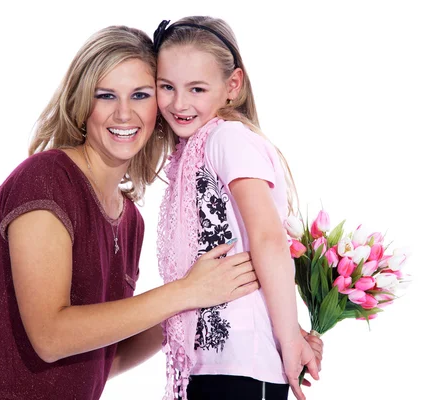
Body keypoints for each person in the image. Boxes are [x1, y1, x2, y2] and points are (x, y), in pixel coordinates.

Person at [0, 25, 260, 400]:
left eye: (140, 95)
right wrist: (184, 292)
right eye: (106, 96)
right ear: (82, 103)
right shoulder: (46, 180)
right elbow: (51, 337)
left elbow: (105, 359)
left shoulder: (130, 220)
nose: (124, 113)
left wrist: (211, 302)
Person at [153, 17, 323, 400]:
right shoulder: (191, 152)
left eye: (197, 88)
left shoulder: (228, 138)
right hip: (210, 362)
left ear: (232, 86)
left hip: (245, 361)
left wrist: (290, 335)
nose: (179, 103)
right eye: (167, 87)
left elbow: (268, 237)